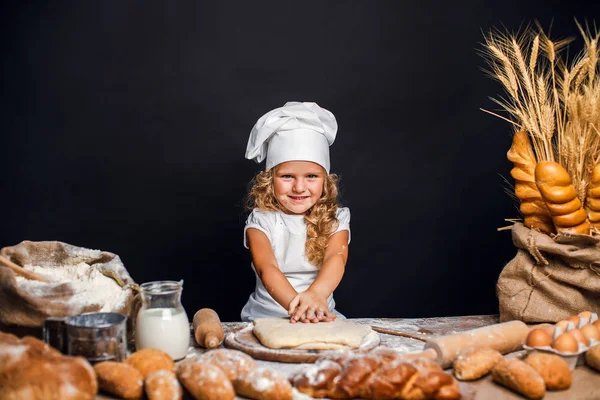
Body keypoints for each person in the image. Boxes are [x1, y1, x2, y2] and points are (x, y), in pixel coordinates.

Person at [241, 101, 351, 324]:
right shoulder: (261, 221)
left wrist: (316, 297)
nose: (299, 188)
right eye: (287, 176)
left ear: (325, 181)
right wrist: (299, 307)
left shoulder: (336, 219)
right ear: (270, 180)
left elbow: (336, 258)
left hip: (320, 315)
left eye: (311, 176)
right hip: (266, 317)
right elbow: (267, 268)